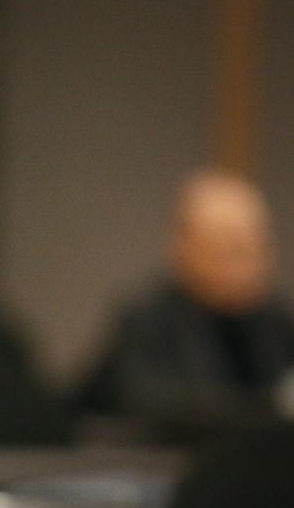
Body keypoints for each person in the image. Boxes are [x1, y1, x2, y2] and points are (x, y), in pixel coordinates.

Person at [80, 168, 294, 426]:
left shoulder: (278, 324)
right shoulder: (146, 322)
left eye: (256, 245)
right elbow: (144, 403)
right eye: (229, 245)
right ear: (184, 247)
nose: (247, 261)